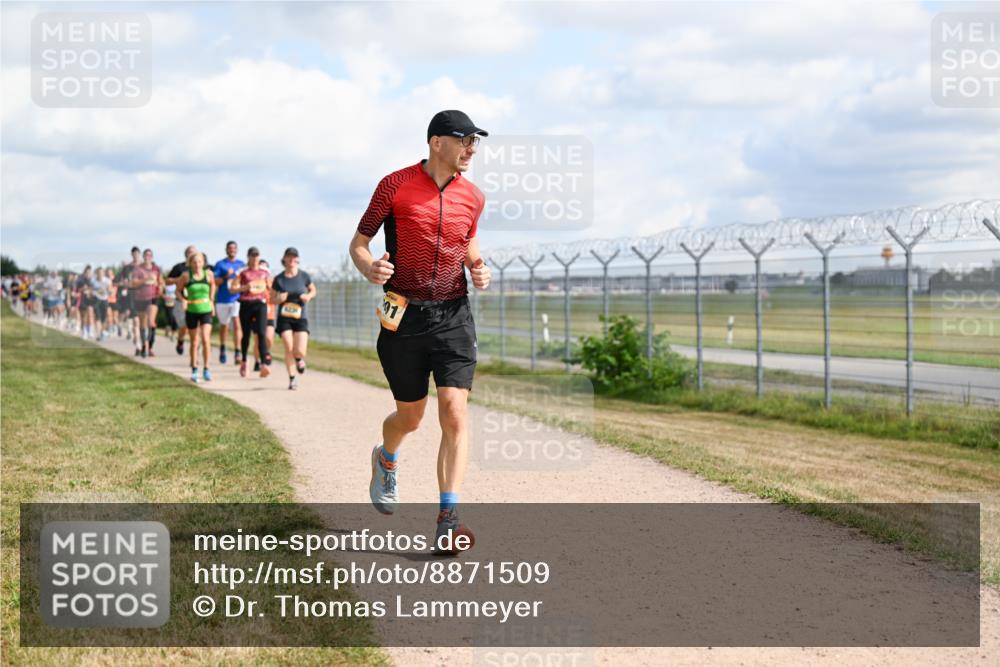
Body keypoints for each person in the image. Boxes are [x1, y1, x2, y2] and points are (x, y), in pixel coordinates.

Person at [349, 109, 492, 553]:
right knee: (410, 416)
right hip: (404, 315)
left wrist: (476, 265)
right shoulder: (394, 186)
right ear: (436, 143)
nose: (471, 149)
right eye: (463, 139)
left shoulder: (474, 196)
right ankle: (386, 456)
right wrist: (370, 266)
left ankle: (448, 519)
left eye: (475, 142)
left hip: (453, 314)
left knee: (454, 412)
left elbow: (466, 238)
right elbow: (358, 242)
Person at [270, 247, 316, 390]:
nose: (291, 260)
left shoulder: (304, 276)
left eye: (294, 257)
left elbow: (313, 290)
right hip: (284, 318)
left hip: (300, 317)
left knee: (299, 350)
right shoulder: (279, 279)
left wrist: (308, 296)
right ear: (284, 259)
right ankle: (292, 379)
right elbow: (271, 298)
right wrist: (279, 298)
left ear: (297, 260)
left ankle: (299, 359)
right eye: (289, 257)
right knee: (289, 347)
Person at [175, 250, 216, 382]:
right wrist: (183, 300)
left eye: (199, 262)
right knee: (194, 342)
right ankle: (194, 369)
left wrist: (211, 300)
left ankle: (206, 369)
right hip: (192, 310)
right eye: (194, 262)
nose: (197, 264)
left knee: (205, 338)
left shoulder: (209, 274)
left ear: (203, 263)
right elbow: (178, 291)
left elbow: (213, 285)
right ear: (190, 263)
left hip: (206, 310)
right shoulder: (186, 276)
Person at [234, 246, 271, 378]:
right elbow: (232, 288)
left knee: (261, 333)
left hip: (260, 304)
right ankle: (244, 361)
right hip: (246, 304)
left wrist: (272, 296)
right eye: (252, 255)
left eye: (257, 255)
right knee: (246, 335)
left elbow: (270, 286)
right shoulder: (242, 271)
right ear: (248, 257)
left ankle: (264, 364)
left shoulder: (265, 271)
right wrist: (245, 287)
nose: (255, 258)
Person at [214, 241, 245, 366]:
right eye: (230, 248)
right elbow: (215, 282)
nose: (232, 250)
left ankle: (238, 352)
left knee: (237, 324)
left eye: (234, 248)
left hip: (236, 298)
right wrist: (226, 276)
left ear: (237, 250)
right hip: (222, 299)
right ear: (226, 250)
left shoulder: (242, 264)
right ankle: (222, 347)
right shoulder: (220, 264)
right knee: (224, 326)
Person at [130, 249, 164, 357]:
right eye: (145, 255)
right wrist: (145, 279)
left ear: (152, 257)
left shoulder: (156, 269)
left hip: (153, 297)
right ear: (143, 256)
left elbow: (161, 282)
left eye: (149, 255)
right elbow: (133, 284)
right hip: (140, 298)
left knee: (151, 322)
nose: (147, 257)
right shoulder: (138, 269)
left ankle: (150, 346)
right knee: (142, 324)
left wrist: (160, 288)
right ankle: (144, 344)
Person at [93, 267, 112, 340]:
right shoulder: (93, 281)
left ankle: (102, 332)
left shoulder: (107, 281)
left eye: (101, 273)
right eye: (99, 273)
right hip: (96, 300)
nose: (100, 274)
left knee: (104, 318)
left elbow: (110, 291)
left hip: (104, 300)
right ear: (97, 273)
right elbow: (91, 289)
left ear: (103, 273)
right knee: (98, 317)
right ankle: (98, 334)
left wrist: (108, 290)